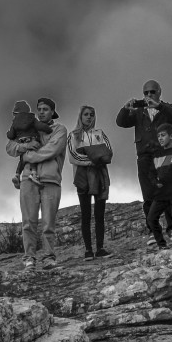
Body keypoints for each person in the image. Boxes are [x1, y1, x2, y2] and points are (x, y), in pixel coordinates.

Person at [6, 97, 67, 269]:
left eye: (45, 109)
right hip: (27, 180)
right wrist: (24, 147)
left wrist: (28, 156)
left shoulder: (59, 129)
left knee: (48, 222)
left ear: (52, 112)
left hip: (50, 179)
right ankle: (29, 258)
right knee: (28, 222)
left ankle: (48, 257)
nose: (41, 112)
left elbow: (52, 150)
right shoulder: (28, 125)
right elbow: (9, 147)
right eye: (39, 109)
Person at [116, 79, 172, 238]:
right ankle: (154, 231)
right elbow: (121, 122)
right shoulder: (139, 111)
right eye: (146, 92)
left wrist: (159, 106)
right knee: (149, 194)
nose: (149, 95)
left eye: (152, 91)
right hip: (144, 156)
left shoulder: (167, 109)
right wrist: (125, 109)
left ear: (159, 92)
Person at [67, 104, 114, 259]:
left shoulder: (100, 134)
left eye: (92, 114)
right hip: (83, 177)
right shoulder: (73, 136)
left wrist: (91, 155)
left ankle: (100, 248)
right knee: (86, 213)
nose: (89, 117)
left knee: (100, 213)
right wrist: (94, 158)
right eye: (86, 114)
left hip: (100, 175)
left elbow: (108, 153)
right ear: (80, 117)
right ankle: (88, 250)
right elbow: (73, 157)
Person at [147, 123, 172, 250]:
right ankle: (162, 246)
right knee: (151, 218)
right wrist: (155, 182)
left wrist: (164, 179)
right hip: (161, 194)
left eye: (163, 135)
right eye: (158, 136)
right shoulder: (156, 155)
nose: (160, 138)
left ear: (171, 136)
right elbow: (151, 173)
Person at [6, 100, 51, 189]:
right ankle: (34, 174)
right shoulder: (32, 119)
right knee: (33, 155)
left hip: (21, 140)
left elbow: (11, 135)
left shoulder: (14, 122)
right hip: (32, 139)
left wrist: (9, 134)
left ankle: (17, 174)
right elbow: (40, 126)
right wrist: (48, 129)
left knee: (22, 158)